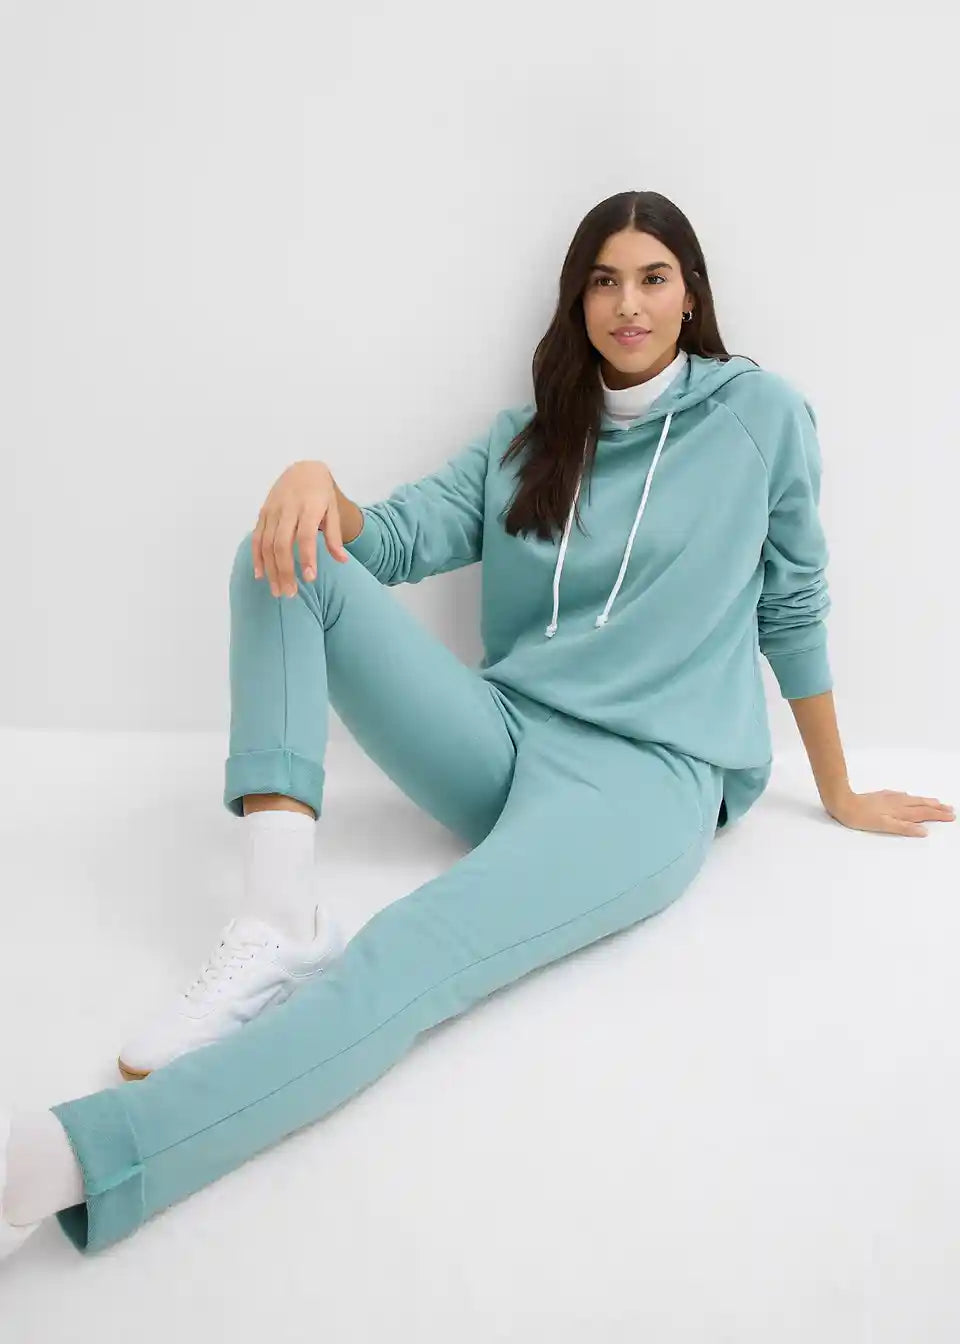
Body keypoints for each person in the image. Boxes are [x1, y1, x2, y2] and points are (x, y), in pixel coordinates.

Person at [2, 189, 953, 1263]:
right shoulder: (531, 439)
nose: (629, 305)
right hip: (500, 735)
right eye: (604, 281)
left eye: (653, 279)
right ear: (576, 301)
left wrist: (837, 786)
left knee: (405, 953)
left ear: (691, 295)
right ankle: (275, 919)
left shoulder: (761, 419)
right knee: (284, 552)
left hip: (642, 785)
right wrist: (317, 483)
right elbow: (391, 540)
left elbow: (794, 604)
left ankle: (78, 1158)